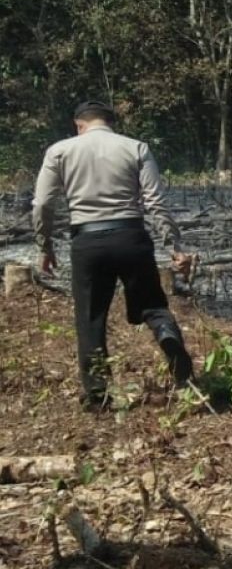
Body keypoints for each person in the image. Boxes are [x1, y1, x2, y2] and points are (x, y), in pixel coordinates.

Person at [31, 101, 194, 411]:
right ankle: (177, 362)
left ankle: (98, 395)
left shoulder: (60, 151)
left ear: (79, 124)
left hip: (88, 241)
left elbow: (42, 204)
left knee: (90, 317)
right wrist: (175, 247)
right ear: (110, 122)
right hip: (131, 236)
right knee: (153, 305)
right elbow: (155, 203)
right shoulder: (136, 147)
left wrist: (45, 246)